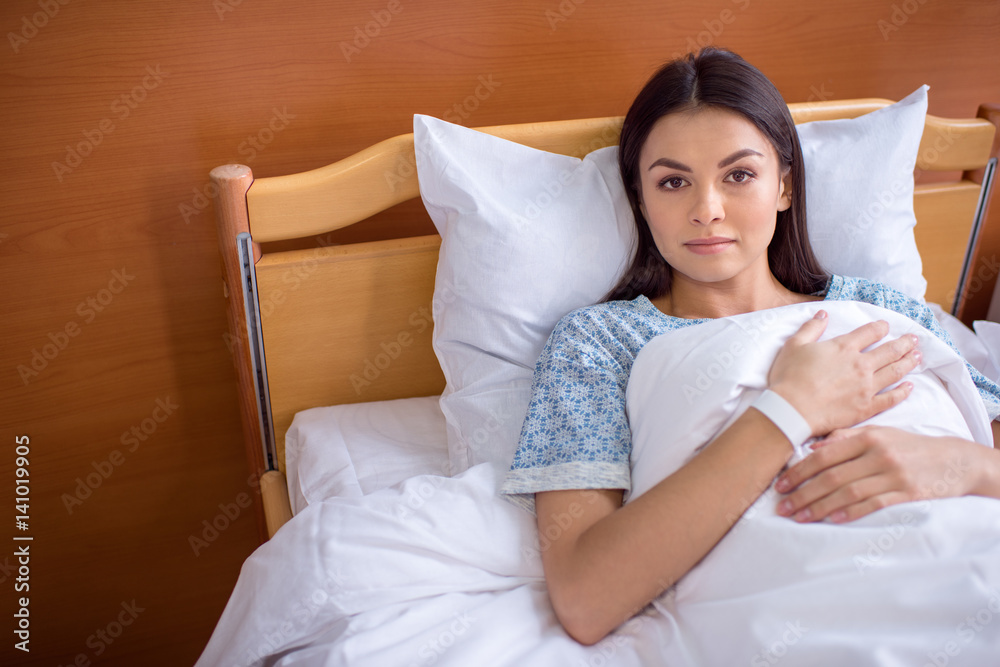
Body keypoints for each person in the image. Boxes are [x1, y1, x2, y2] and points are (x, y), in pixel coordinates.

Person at [498, 47, 1000, 645]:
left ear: (784, 186)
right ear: (640, 200)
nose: (707, 210)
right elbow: (586, 596)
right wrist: (788, 410)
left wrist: (962, 464)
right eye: (673, 181)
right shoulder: (597, 342)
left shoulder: (881, 307)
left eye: (739, 175)